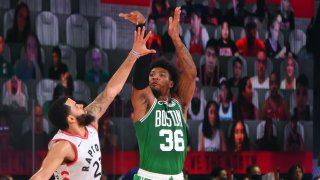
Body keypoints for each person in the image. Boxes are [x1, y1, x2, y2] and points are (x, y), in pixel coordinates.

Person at [30, 25, 156, 180]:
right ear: (70, 119)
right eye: (76, 106)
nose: (81, 105)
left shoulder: (90, 120)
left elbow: (110, 92)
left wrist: (134, 54)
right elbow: (40, 176)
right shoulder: (63, 145)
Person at [119, 7, 196, 179]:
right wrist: (141, 27)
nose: (154, 77)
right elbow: (139, 81)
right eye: (152, 74)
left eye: (161, 75)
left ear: (171, 83)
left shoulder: (180, 103)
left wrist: (176, 39)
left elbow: (190, 74)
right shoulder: (145, 103)